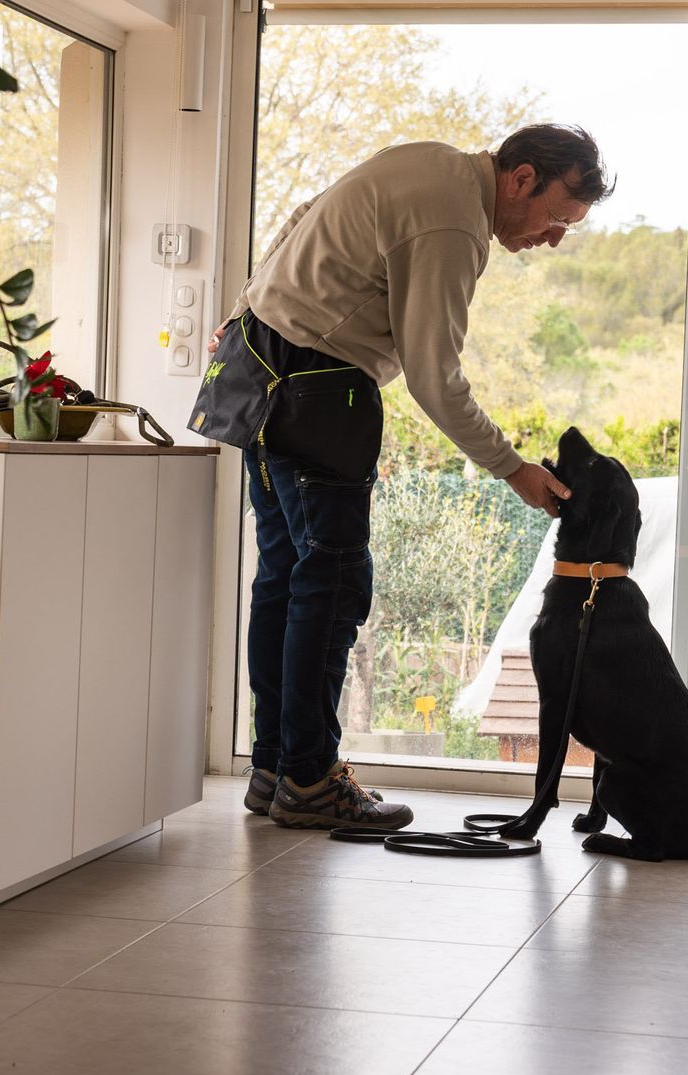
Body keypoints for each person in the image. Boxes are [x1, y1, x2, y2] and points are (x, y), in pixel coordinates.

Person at [194, 124, 612, 831]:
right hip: (319, 385)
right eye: (556, 219)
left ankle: (276, 767)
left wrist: (245, 307)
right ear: (521, 179)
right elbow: (434, 377)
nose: (553, 240)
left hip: (258, 365)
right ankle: (310, 779)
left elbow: (305, 215)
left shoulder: (426, 161)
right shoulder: (455, 225)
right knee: (330, 588)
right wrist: (513, 470)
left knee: (285, 579)